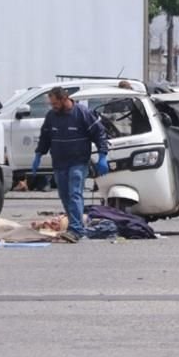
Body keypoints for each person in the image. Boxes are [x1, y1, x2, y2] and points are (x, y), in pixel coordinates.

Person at [32, 87, 109, 242]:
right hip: (59, 162)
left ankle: (75, 229)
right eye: (51, 104)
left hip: (78, 162)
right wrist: (38, 155)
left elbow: (99, 134)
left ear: (63, 99)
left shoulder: (82, 113)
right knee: (64, 195)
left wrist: (102, 157)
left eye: (54, 103)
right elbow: (45, 137)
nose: (52, 107)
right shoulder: (51, 116)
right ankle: (77, 224)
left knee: (74, 194)